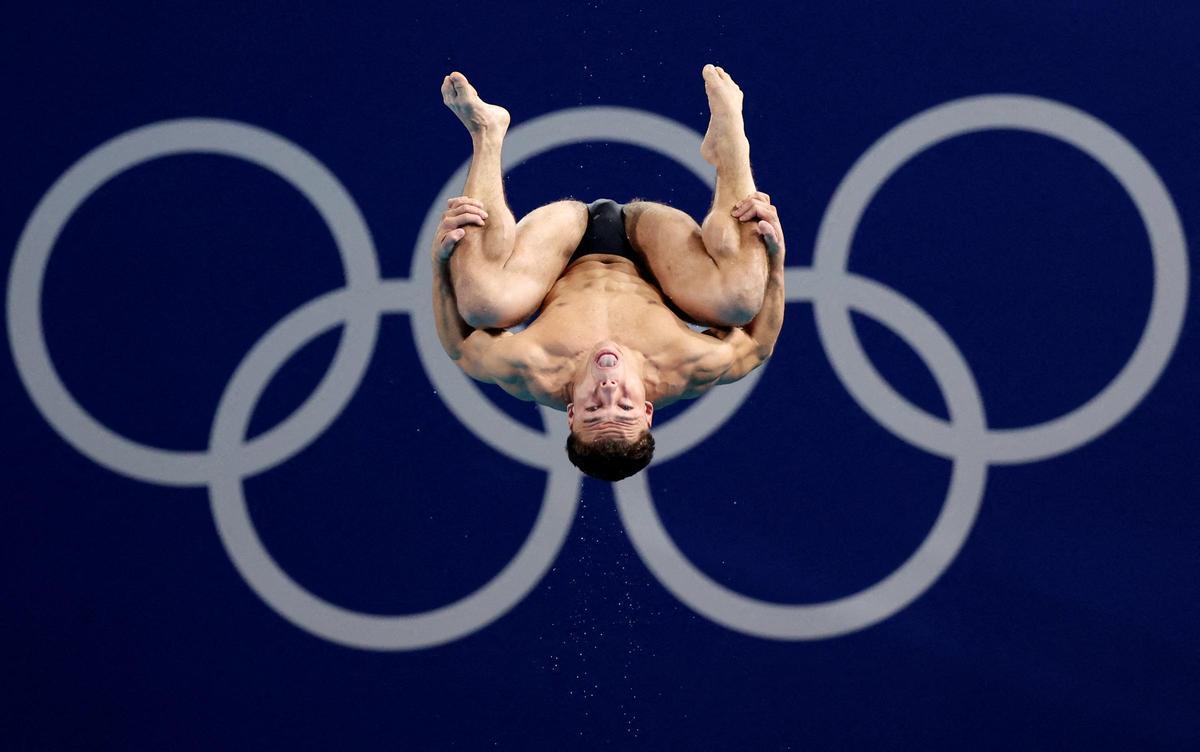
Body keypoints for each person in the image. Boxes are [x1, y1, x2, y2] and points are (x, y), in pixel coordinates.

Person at [431, 65, 785, 481]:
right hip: (650, 248)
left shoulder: (532, 369)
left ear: (571, 414)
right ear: (648, 410)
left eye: (595, 409)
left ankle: (486, 133)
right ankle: (731, 148)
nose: (609, 391)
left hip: (561, 247)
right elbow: (759, 346)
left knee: (482, 304)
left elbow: (458, 347)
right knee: (740, 300)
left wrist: (441, 264)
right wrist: (775, 259)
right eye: (626, 406)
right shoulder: (687, 367)